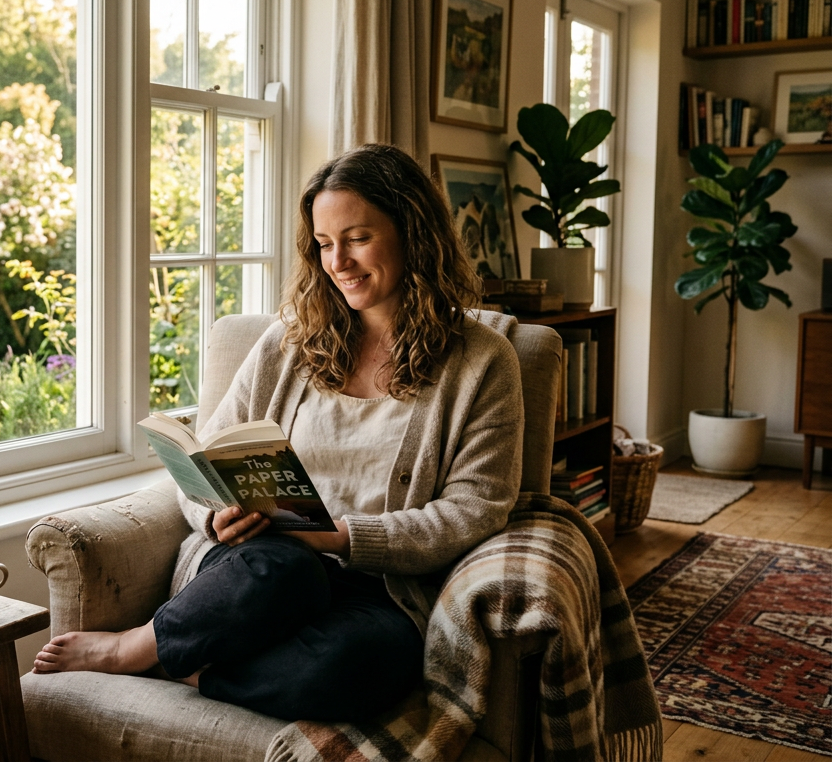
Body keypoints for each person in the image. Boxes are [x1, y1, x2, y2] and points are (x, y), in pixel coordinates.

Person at [32, 144, 525, 725]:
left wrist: (342, 538)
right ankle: (132, 646)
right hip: (260, 570)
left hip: (380, 589)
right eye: (323, 244)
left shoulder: (482, 361)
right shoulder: (289, 342)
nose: (337, 261)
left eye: (358, 238)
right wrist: (215, 516)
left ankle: (190, 666)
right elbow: (204, 467)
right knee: (287, 571)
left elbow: (475, 510)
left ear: (413, 232)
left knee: (363, 664)